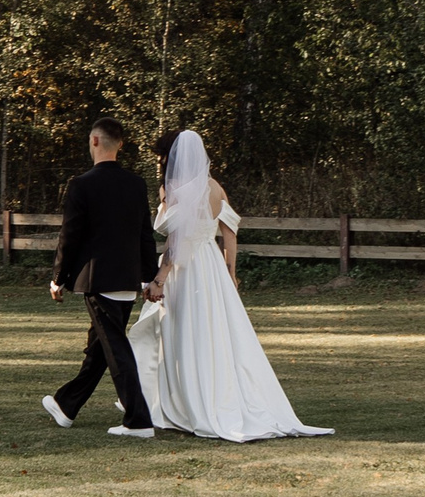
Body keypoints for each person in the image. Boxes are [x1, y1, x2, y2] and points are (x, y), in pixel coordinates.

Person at [125, 129, 333, 441]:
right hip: (211, 265)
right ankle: (214, 397)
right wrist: (230, 273)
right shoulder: (215, 187)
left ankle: (189, 403)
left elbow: (176, 239)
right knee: (215, 331)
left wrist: (159, 279)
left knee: (186, 331)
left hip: (185, 269)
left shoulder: (176, 189)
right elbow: (230, 232)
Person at [42, 117, 162, 438]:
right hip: (128, 280)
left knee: (115, 348)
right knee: (101, 347)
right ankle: (66, 405)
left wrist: (58, 278)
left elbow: (70, 236)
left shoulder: (81, 184)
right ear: (119, 144)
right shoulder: (136, 184)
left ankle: (138, 421)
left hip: (97, 281)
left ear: (94, 141)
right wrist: (149, 278)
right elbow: (145, 235)